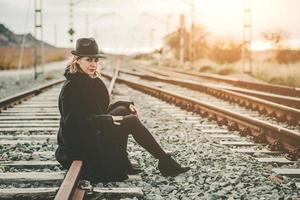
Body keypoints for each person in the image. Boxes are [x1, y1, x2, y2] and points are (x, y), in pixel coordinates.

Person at [55, 37, 190, 183]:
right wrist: (108, 119)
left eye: (95, 60)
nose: (93, 64)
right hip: (78, 144)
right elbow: (73, 122)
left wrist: (124, 104)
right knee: (130, 121)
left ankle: (127, 160)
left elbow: (100, 111)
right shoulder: (71, 87)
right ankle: (165, 161)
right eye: (88, 60)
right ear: (77, 60)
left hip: (91, 132)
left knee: (124, 111)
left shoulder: (92, 81)